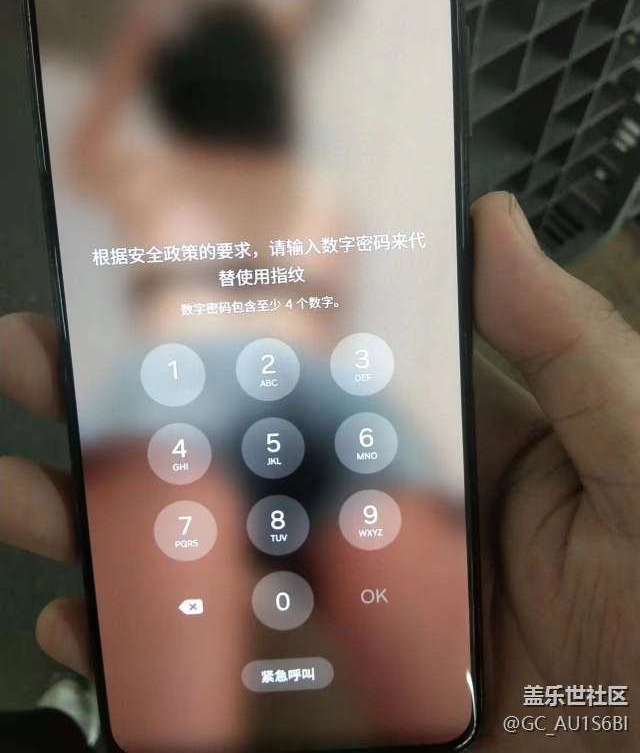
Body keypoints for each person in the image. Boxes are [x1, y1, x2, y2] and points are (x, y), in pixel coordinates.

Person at [1, 189, 639, 750]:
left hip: (294, 383)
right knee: (179, 517)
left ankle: (109, 713)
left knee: (358, 535)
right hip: (233, 379)